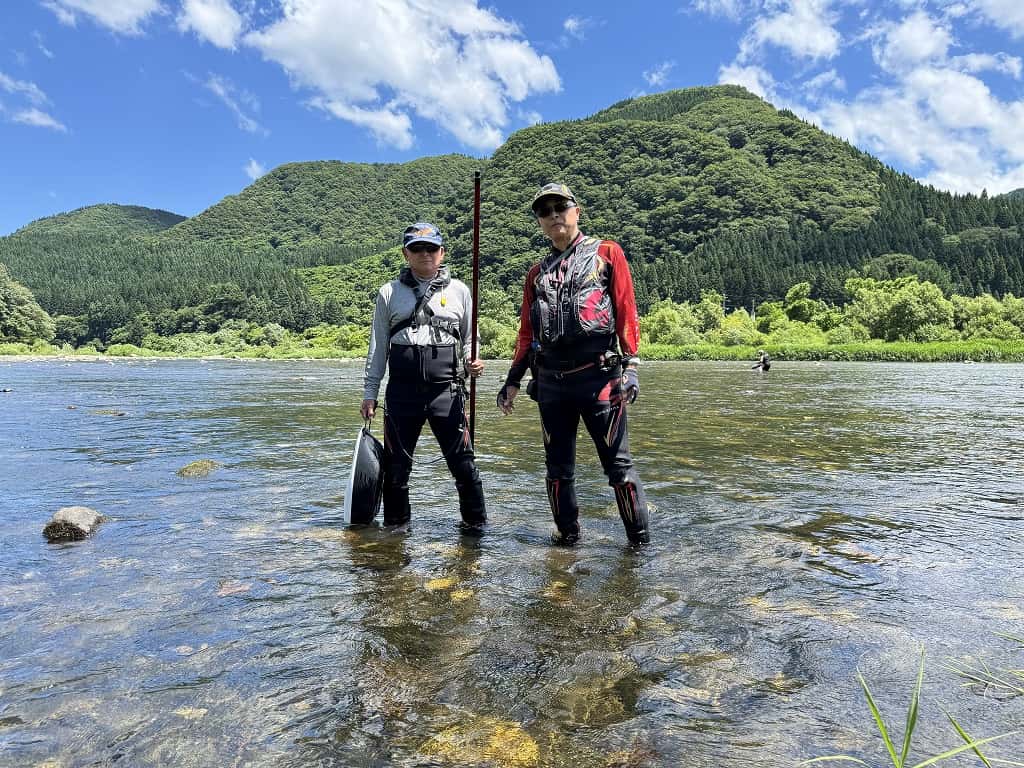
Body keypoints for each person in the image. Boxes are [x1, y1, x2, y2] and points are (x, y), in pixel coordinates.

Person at [496, 183, 650, 546]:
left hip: (600, 381)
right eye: (544, 212)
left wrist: (631, 368)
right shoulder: (536, 274)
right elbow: (527, 333)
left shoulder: (608, 253)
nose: (553, 216)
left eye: (560, 207)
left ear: (576, 211)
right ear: (539, 222)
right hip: (551, 385)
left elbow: (627, 311)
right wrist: (512, 380)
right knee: (557, 471)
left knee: (619, 468)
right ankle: (567, 543)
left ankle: (639, 547)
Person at [361, 222, 486, 533]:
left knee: (464, 465)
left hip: (448, 392)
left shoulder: (460, 291)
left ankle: (476, 530)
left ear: (441, 252)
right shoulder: (388, 293)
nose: (425, 254)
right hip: (402, 394)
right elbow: (377, 347)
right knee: (397, 469)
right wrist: (370, 392)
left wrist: (473, 361)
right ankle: (396, 532)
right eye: (417, 248)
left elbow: (471, 338)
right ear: (407, 253)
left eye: (431, 248)